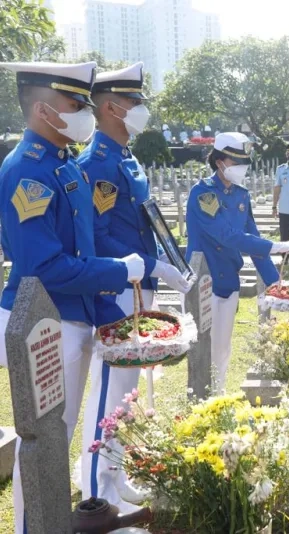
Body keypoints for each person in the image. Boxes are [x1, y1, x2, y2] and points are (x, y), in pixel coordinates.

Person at [0, 60, 145, 534]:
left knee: (57, 441)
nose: (85, 112)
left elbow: (80, 249)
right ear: (42, 109)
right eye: (74, 103)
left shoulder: (64, 165)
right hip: (45, 321)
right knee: (43, 443)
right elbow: (43, 267)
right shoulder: (28, 171)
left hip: (74, 317)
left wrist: (108, 316)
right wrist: (119, 272)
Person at [77, 62, 193, 512]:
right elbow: (97, 236)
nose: (142, 110)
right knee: (109, 390)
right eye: (135, 102)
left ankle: (115, 472)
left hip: (139, 286)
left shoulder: (125, 156)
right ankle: (96, 495)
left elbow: (145, 221)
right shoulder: (97, 163)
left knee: (123, 395)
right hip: (116, 290)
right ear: (110, 107)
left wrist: (166, 263)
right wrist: (150, 265)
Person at [186, 132, 289, 391]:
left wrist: (277, 286)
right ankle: (203, 398)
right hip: (205, 280)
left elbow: (253, 240)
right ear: (219, 162)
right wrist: (277, 246)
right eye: (236, 161)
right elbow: (227, 236)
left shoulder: (241, 195)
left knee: (223, 346)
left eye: (245, 161)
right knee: (204, 348)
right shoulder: (203, 194)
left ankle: (219, 395)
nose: (242, 167)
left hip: (228, 279)